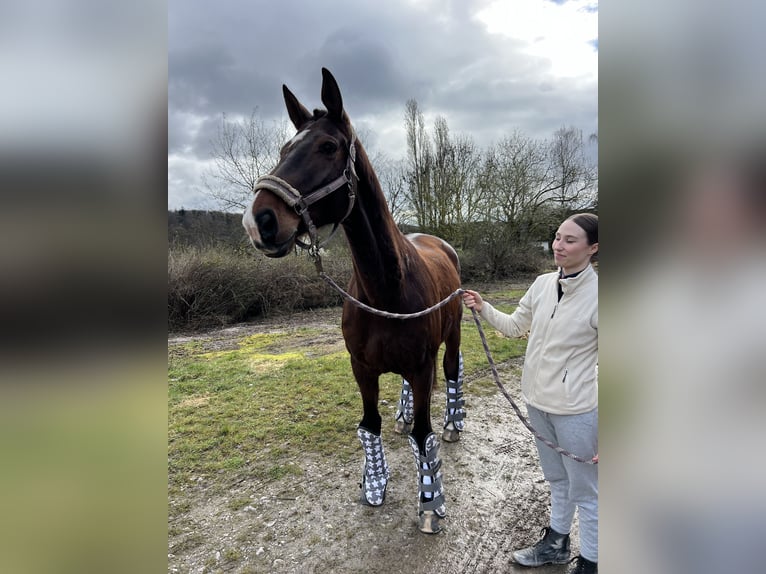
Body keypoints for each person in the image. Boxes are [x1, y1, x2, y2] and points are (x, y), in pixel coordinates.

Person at [462, 213, 599, 574]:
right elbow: (515, 326)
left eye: (570, 240)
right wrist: (484, 307)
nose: (559, 245)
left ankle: (592, 561)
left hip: (577, 411)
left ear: (593, 248)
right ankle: (556, 544)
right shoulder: (540, 285)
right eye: (557, 237)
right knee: (557, 480)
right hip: (536, 404)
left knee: (587, 492)